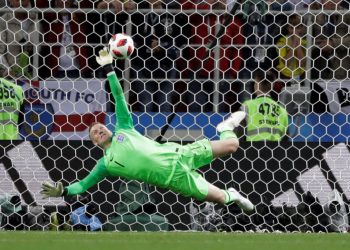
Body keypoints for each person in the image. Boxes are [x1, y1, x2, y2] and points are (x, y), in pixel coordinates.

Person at [40, 48, 254, 212]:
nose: (100, 130)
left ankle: (225, 127)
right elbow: (83, 185)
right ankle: (232, 195)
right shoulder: (106, 164)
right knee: (220, 198)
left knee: (233, 144)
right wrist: (64, 191)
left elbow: (118, 96)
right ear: (95, 143)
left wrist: (109, 69)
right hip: (174, 179)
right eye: (95, 132)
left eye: (101, 126)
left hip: (179, 153)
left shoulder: (124, 128)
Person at [237, 70, 289, 141]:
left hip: (252, 149)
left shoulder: (247, 106)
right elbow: (285, 138)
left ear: (256, 85)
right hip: (275, 150)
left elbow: (239, 133)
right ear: (272, 86)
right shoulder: (282, 110)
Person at [0, 0, 39, 79]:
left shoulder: (35, 19)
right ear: (10, 2)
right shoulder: (3, 21)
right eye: (17, 0)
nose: (21, 3)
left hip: (34, 76)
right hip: (12, 76)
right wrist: (7, 70)